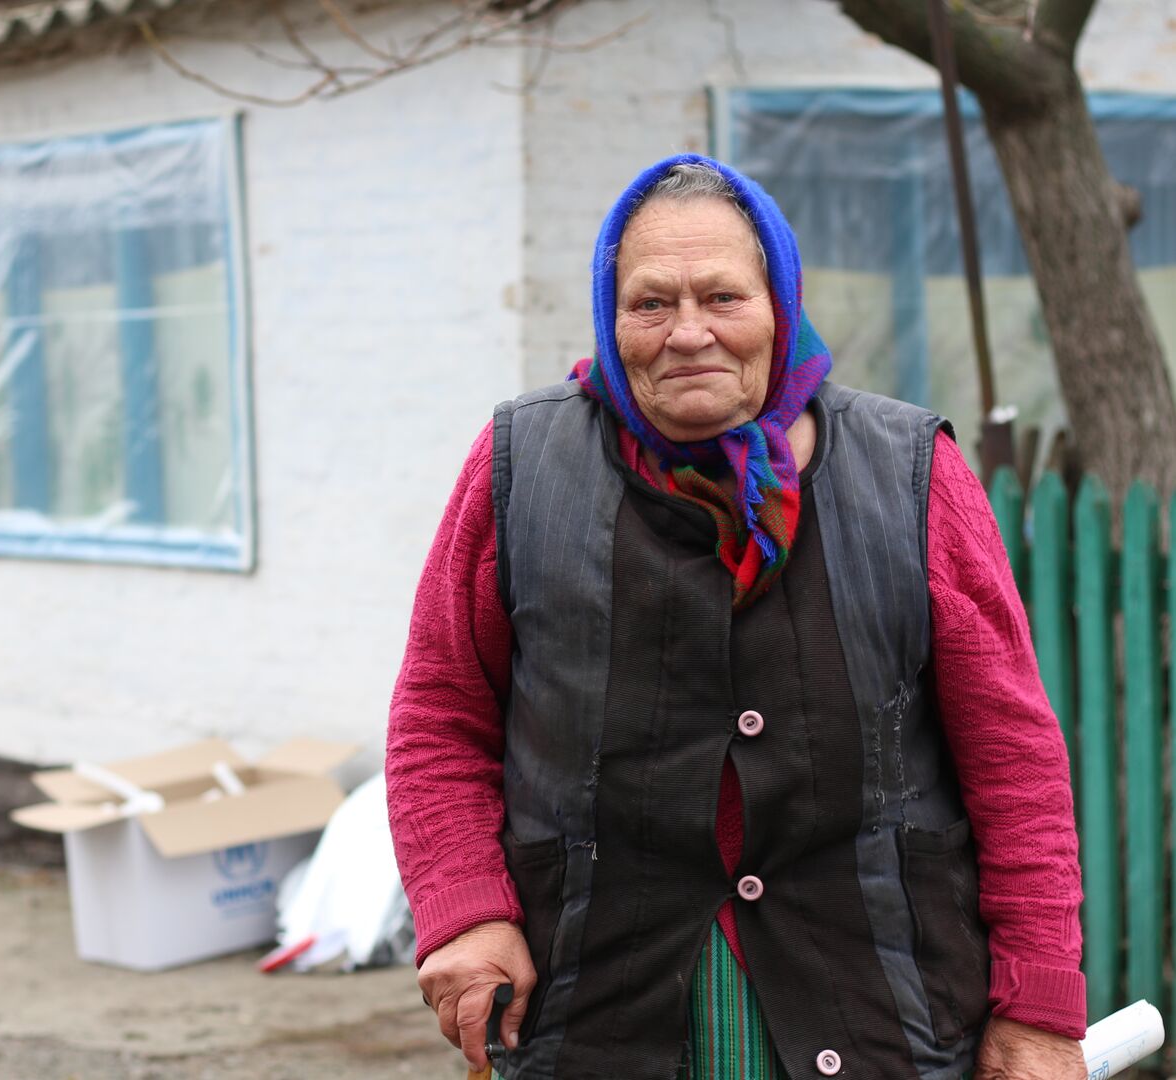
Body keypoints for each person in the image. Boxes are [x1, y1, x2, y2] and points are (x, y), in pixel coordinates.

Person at [385, 155, 1085, 1080]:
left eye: (723, 297)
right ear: (609, 312)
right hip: (598, 1008)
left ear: (779, 303)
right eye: (649, 303)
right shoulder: (521, 465)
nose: (688, 334)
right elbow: (439, 716)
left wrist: (1037, 1007)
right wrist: (466, 910)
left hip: (879, 1000)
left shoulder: (911, 473)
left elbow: (1014, 758)